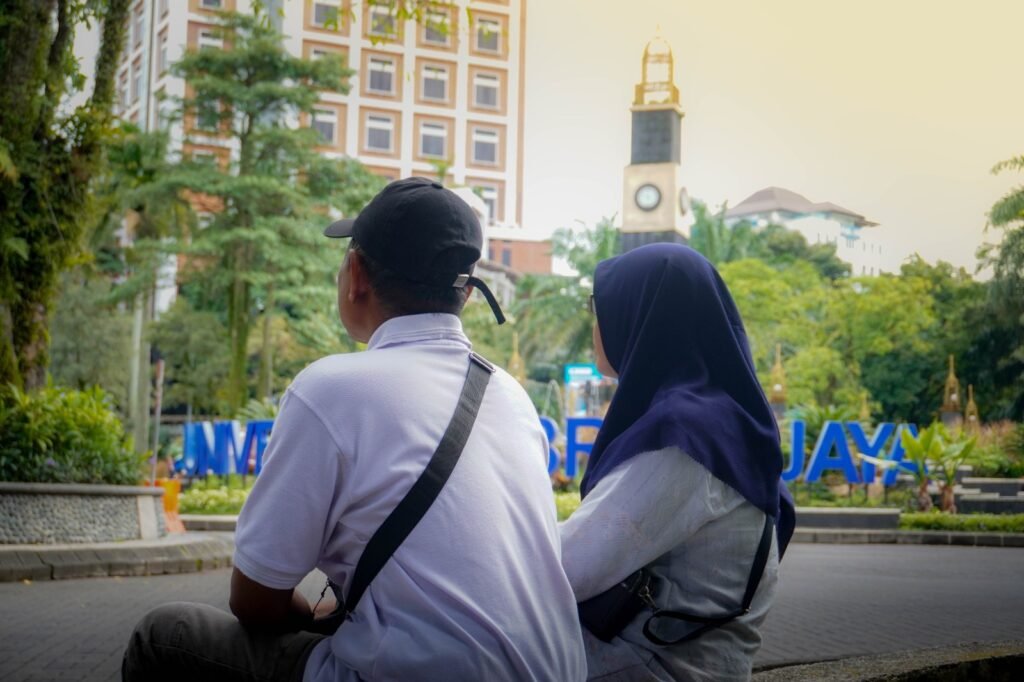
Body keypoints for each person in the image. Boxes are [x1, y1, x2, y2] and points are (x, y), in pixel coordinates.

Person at [123, 177, 587, 681]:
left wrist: (315, 617)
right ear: (468, 294)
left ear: (356, 275)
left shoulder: (330, 389)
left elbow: (255, 599)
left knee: (163, 636)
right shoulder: (512, 395)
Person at [560, 243, 796, 681]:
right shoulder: (722, 422)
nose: (596, 324)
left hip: (656, 668)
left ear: (645, 314)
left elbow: (568, 568)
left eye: (599, 307)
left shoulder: (684, 437)